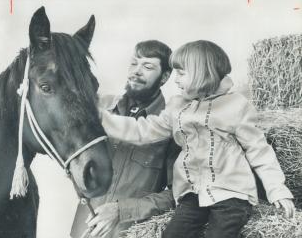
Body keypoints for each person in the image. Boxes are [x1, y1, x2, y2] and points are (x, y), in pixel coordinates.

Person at [100, 40, 295, 238]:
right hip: (192, 194)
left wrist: (277, 190)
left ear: (202, 74)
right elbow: (144, 130)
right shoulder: (178, 107)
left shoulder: (236, 106)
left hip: (231, 194)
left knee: (219, 234)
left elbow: (258, 150)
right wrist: (102, 119)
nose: (175, 80)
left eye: (181, 74)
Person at [70, 40, 181, 238]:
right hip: (81, 232)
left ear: (165, 76)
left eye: (147, 66)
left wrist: (121, 211)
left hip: (129, 233)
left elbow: (176, 195)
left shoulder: (172, 127)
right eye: (134, 63)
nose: (136, 71)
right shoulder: (100, 107)